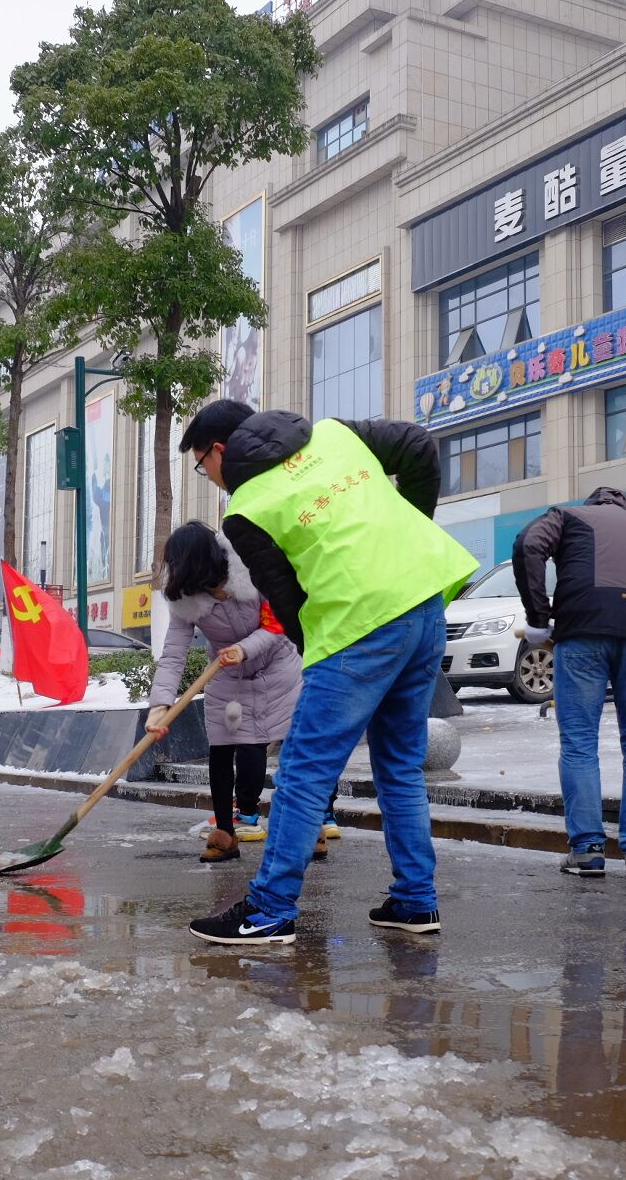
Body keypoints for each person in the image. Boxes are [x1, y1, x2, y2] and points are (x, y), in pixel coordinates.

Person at [180, 400, 479, 945]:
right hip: (424, 602)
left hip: (357, 624)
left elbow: (286, 596)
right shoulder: (336, 434)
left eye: (203, 464)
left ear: (220, 450)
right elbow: (417, 443)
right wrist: (409, 534)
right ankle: (415, 901)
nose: (211, 477)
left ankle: (269, 909)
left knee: (303, 770)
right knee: (401, 765)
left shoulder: (246, 508)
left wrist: (312, 647)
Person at [512, 486, 626, 879]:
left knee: (579, 742)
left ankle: (587, 849)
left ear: (594, 504)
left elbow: (527, 545)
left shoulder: (568, 516)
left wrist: (538, 618)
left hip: (583, 630)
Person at [145, 521, 301, 864]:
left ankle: (307, 828)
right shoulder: (186, 599)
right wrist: (159, 705)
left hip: (278, 670)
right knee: (220, 748)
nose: (213, 592)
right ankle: (225, 834)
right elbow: (173, 656)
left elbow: (278, 625)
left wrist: (244, 649)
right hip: (227, 675)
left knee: (292, 751)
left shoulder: (251, 567)